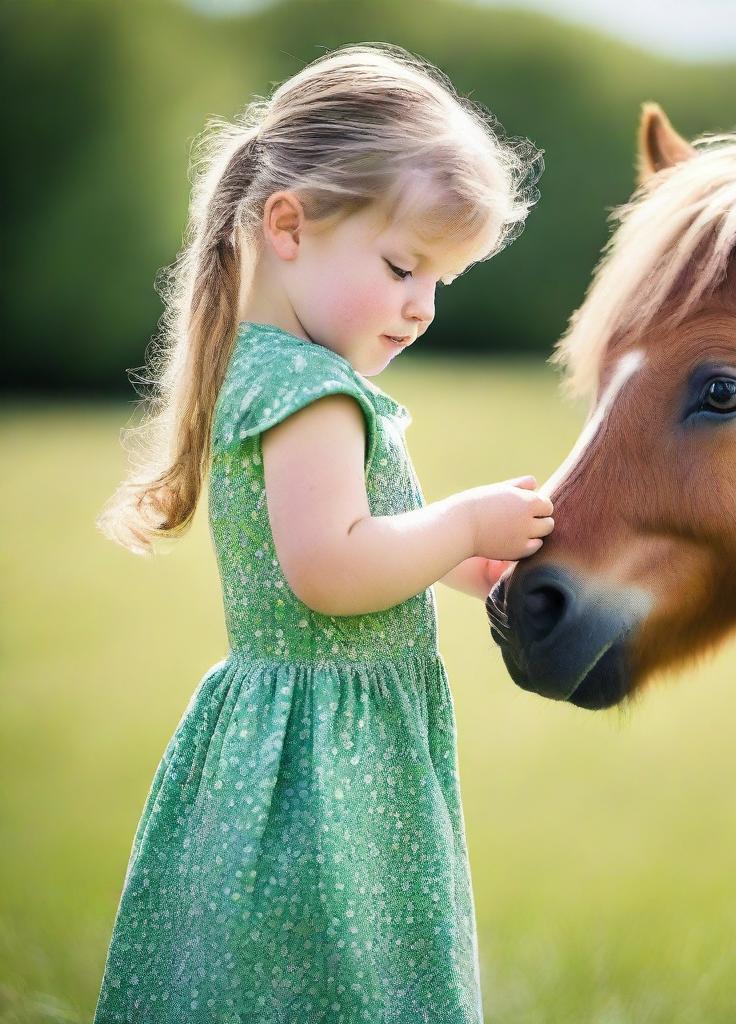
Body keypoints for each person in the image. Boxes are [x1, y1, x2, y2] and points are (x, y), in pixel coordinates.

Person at [93, 42, 549, 1023]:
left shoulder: (261, 366)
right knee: (343, 982)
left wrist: (465, 560)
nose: (421, 307)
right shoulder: (313, 394)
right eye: (401, 266)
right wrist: (465, 516)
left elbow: (365, 539)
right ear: (289, 223)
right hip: (328, 766)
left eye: (441, 282)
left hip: (284, 739)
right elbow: (331, 567)